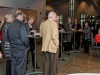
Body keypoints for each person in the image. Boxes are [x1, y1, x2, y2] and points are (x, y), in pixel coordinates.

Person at [7, 10, 30, 75]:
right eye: (22, 16)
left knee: (13, 66)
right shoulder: (21, 25)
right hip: (21, 49)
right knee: (21, 68)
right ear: (20, 16)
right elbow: (24, 39)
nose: (23, 18)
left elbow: (8, 37)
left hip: (12, 48)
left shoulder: (10, 25)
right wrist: (27, 46)